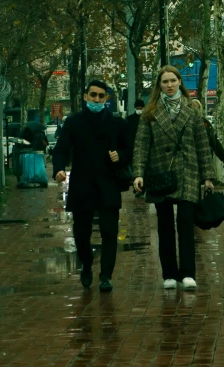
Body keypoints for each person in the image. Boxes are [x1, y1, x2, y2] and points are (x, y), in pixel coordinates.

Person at [132, 65, 215, 291]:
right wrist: (138, 173)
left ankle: (188, 273)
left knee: (186, 224)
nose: (169, 85)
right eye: (164, 82)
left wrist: (208, 176)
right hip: (160, 174)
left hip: (188, 172)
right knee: (165, 226)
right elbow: (141, 145)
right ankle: (169, 273)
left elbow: (203, 145)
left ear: (180, 82)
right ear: (159, 86)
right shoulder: (150, 113)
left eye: (173, 80)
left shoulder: (192, 112)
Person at [52, 79, 132, 292]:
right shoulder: (74, 122)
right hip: (82, 185)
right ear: (86, 96)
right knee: (81, 233)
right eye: (93, 95)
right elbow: (61, 149)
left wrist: (120, 156)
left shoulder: (116, 123)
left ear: (107, 98)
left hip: (108, 185)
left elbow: (130, 150)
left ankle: (106, 275)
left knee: (109, 232)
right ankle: (86, 264)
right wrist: (58, 169)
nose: (97, 99)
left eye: (101, 96)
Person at [191, 99, 224, 166]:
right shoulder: (186, 122)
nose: (195, 110)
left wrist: (223, 157)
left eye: (197, 108)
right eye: (193, 107)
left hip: (205, 158)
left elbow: (214, 140)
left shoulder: (205, 123)